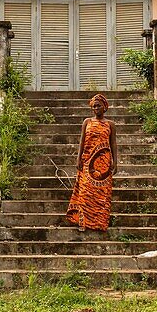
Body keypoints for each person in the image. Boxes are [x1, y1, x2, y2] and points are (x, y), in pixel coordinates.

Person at [66, 93, 118, 232]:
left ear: (104, 107)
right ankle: (83, 222)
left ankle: (99, 223)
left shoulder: (110, 124)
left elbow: (113, 144)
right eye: (94, 106)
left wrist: (115, 162)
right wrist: (78, 158)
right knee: (84, 193)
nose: (96, 108)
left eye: (98, 105)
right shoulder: (87, 122)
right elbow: (82, 141)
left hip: (104, 164)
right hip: (87, 161)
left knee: (101, 195)